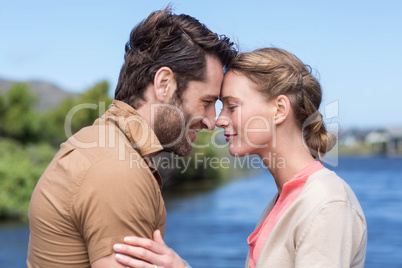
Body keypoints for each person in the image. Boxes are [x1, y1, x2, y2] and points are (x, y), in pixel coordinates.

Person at [113, 48, 367, 267]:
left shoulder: (326, 204)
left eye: (232, 106)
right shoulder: (288, 199)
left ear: (279, 110)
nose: (219, 120)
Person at [26, 6, 236, 268]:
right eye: (206, 101)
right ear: (163, 84)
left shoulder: (99, 141)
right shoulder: (118, 170)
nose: (212, 120)